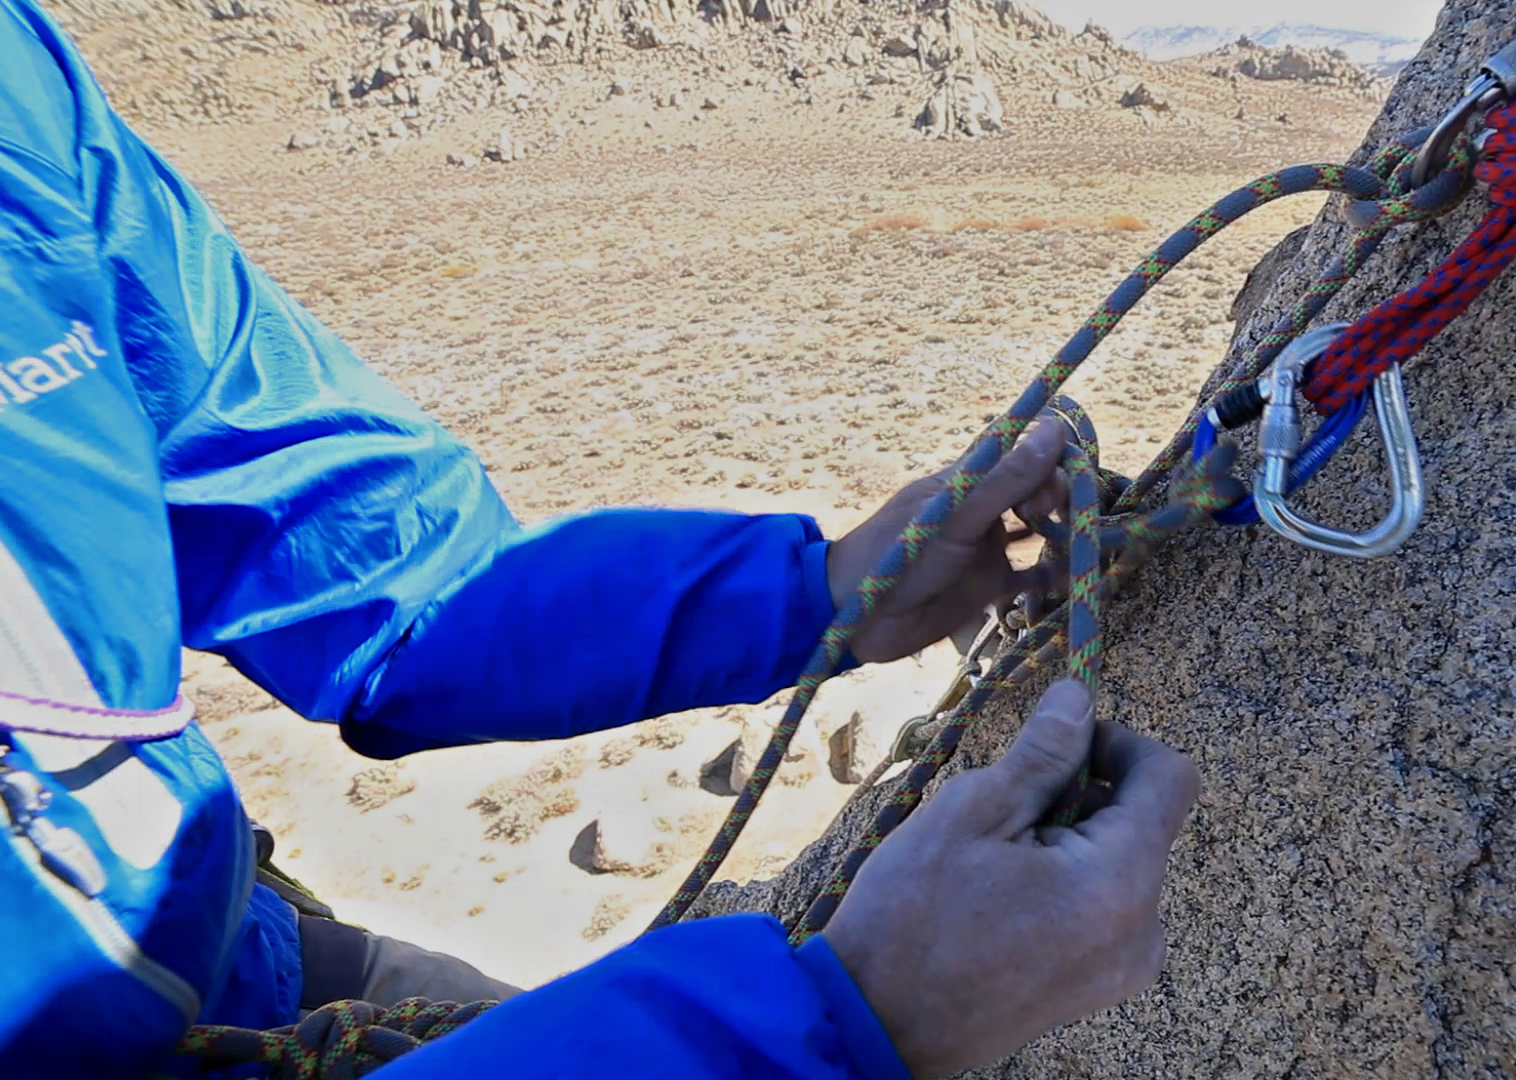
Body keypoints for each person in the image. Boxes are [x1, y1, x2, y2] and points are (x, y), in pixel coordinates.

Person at [0, 0, 1204, 1076]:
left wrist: (823, 590)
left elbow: (373, 566)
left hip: (257, 978)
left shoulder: (17, 94)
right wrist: (851, 1025)